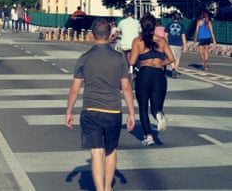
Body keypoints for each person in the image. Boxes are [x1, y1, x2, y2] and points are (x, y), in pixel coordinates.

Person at [65, 18, 135, 191]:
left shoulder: (84, 58)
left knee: (96, 151)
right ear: (110, 35)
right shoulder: (119, 58)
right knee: (110, 150)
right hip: (113, 110)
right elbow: (125, 87)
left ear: (91, 35)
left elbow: (75, 89)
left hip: (91, 110)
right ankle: (107, 187)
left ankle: (99, 189)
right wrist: (132, 113)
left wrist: (69, 111)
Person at [128, 14, 175, 146]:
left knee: (143, 107)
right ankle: (159, 115)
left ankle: (148, 137)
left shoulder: (138, 41)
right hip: (159, 76)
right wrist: (161, 63)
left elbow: (132, 61)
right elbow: (171, 59)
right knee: (156, 106)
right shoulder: (161, 41)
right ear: (155, 26)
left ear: (141, 26)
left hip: (144, 74)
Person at [165, 12, 187, 78]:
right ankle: (176, 70)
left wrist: (165, 43)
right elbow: (183, 36)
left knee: (171, 58)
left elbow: (165, 36)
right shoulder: (182, 25)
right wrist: (185, 45)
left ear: (172, 18)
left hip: (170, 44)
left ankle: (173, 68)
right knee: (177, 59)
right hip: (179, 44)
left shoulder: (168, 25)